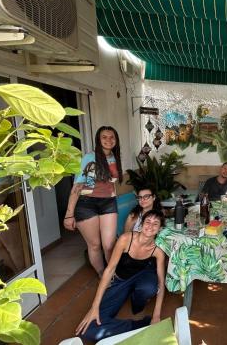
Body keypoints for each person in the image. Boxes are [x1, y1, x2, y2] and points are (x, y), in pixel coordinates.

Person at [76, 210, 166, 342]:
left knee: (149, 287)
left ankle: (138, 302)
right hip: (120, 281)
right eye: (148, 222)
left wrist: (156, 316)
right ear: (141, 224)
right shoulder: (125, 239)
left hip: (141, 276)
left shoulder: (157, 251)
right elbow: (109, 270)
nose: (150, 226)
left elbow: (161, 283)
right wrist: (94, 307)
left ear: (160, 229)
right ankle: (140, 326)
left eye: (155, 224)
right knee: (88, 330)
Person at [64, 126, 123, 276]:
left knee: (109, 244)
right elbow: (78, 185)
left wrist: (114, 197)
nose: (108, 140)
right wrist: (69, 214)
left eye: (112, 137)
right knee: (95, 245)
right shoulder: (89, 157)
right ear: (98, 139)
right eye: (104, 137)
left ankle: (113, 274)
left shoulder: (114, 157)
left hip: (108, 203)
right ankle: (102, 274)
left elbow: (111, 183)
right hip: (86, 204)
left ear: (116, 140)